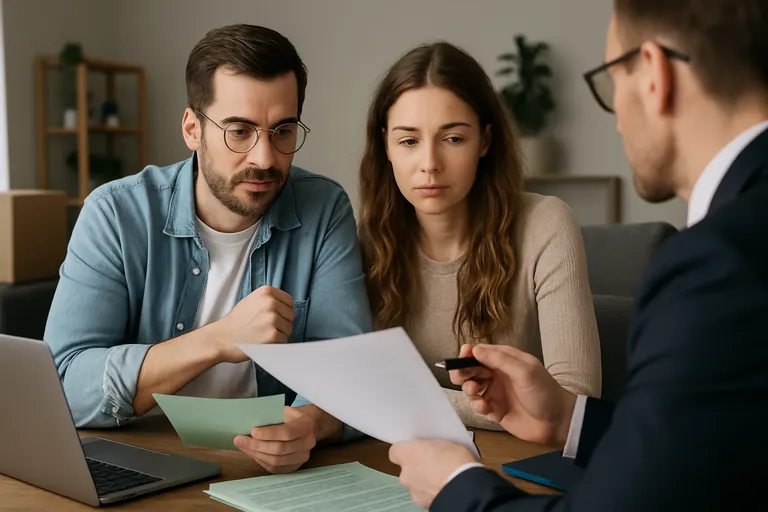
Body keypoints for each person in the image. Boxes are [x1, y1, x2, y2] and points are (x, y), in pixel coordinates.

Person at [389, 0, 768, 509]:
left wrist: (459, 488)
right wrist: (569, 419)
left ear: (653, 74)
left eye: (611, 79)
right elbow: (711, 444)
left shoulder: (715, 263)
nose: (615, 122)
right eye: (408, 140)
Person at [44, 24, 372, 474]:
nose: (264, 157)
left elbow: (350, 368)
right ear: (192, 129)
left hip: (269, 475)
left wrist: (310, 425)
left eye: (282, 131)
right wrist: (218, 339)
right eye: (239, 131)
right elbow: (62, 383)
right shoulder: (114, 214)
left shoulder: (324, 209)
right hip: (140, 463)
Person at [358, 41, 601, 430]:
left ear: (485, 141)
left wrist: (402, 398)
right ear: (385, 144)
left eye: (453, 138)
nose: (430, 165)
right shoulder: (370, 240)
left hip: (517, 464)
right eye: (408, 141)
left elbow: (575, 403)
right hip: (406, 459)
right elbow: (357, 387)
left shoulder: (546, 224)